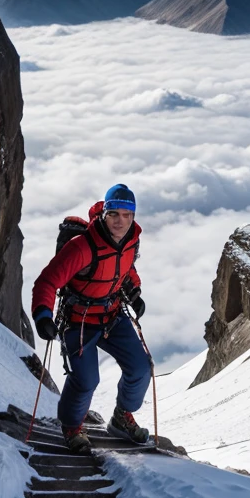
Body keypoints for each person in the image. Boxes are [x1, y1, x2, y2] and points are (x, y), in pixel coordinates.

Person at [32, 183, 151, 454]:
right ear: (104, 214)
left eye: (127, 215)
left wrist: (135, 293)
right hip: (79, 319)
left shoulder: (132, 240)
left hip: (112, 315)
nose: (121, 221)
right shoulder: (81, 247)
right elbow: (47, 281)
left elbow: (125, 269)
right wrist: (42, 315)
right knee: (86, 380)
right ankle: (72, 427)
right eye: (115, 215)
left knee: (141, 368)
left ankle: (122, 417)